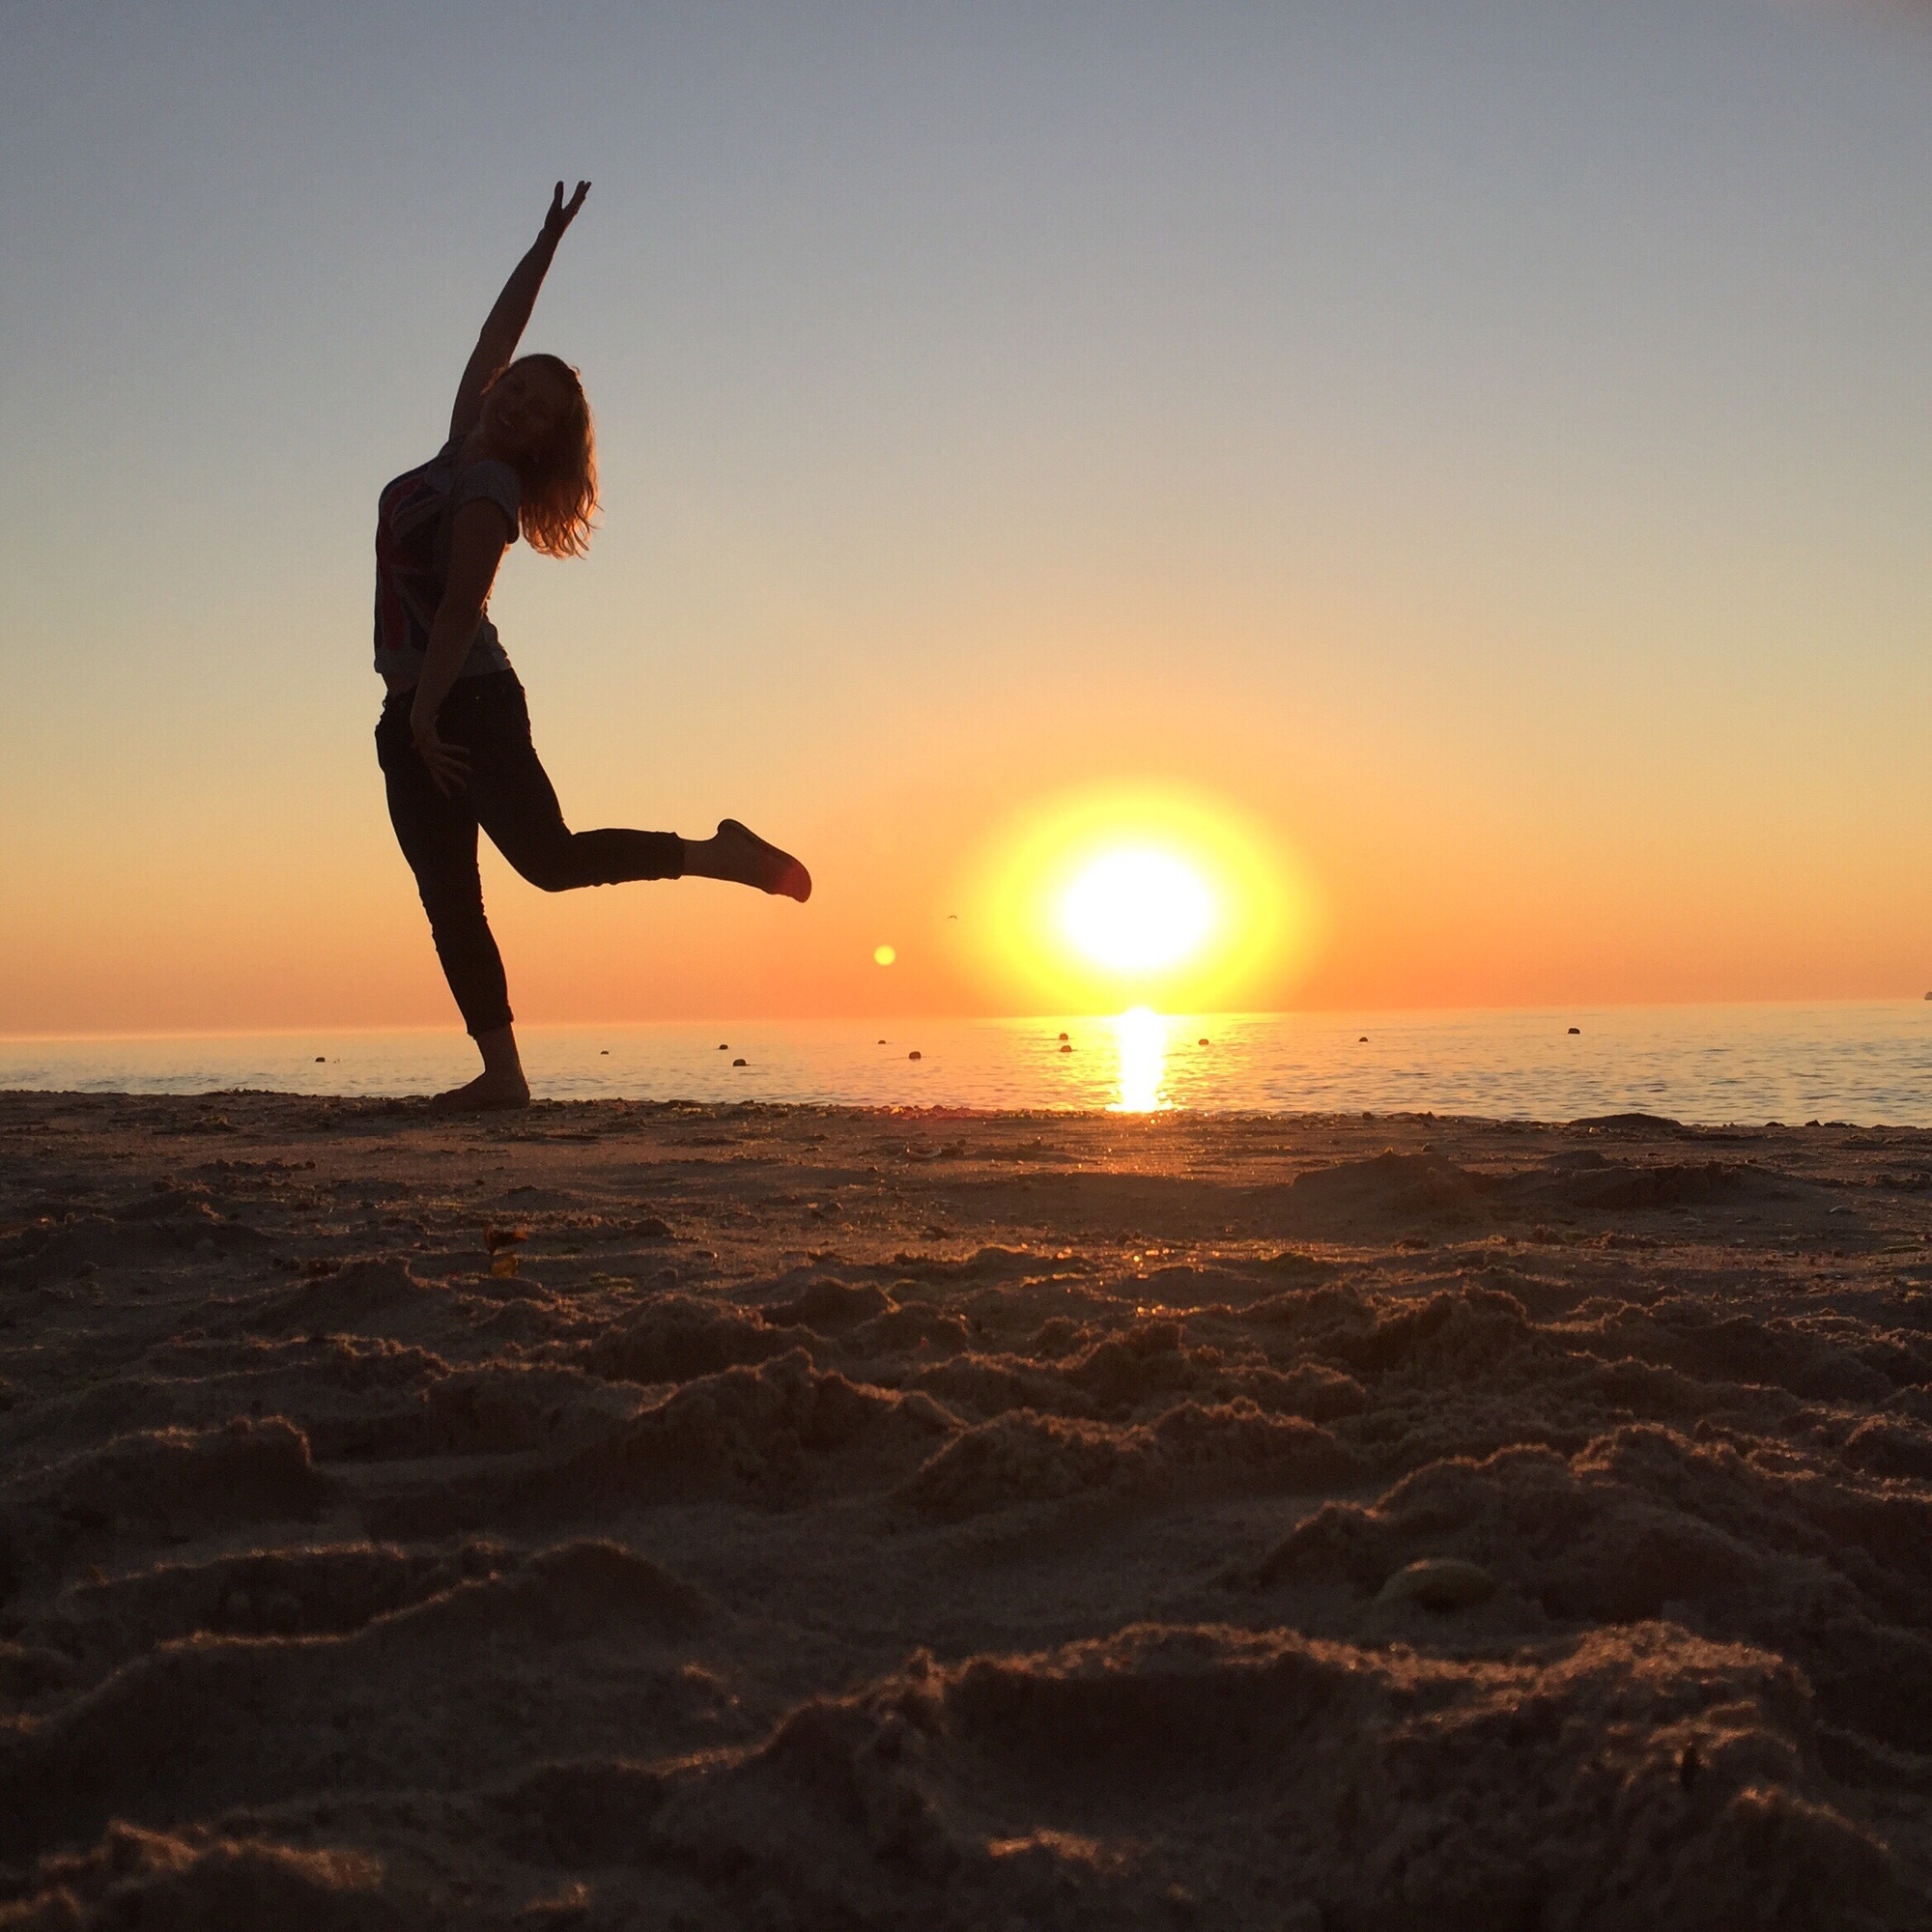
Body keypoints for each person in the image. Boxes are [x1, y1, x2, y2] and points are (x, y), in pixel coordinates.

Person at [373, 182, 810, 1110]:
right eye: (517, 388)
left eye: (534, 409)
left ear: (539, 447)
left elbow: (458, 610)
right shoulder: (460, 443)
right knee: (449, 895)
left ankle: (719, 854)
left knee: (549, 861)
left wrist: (420, 715)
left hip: (464, 702)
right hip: (412, 707)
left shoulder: (485, 486)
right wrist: (543, 248)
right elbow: (495, 336)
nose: (515, 401)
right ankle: (503, 1077)